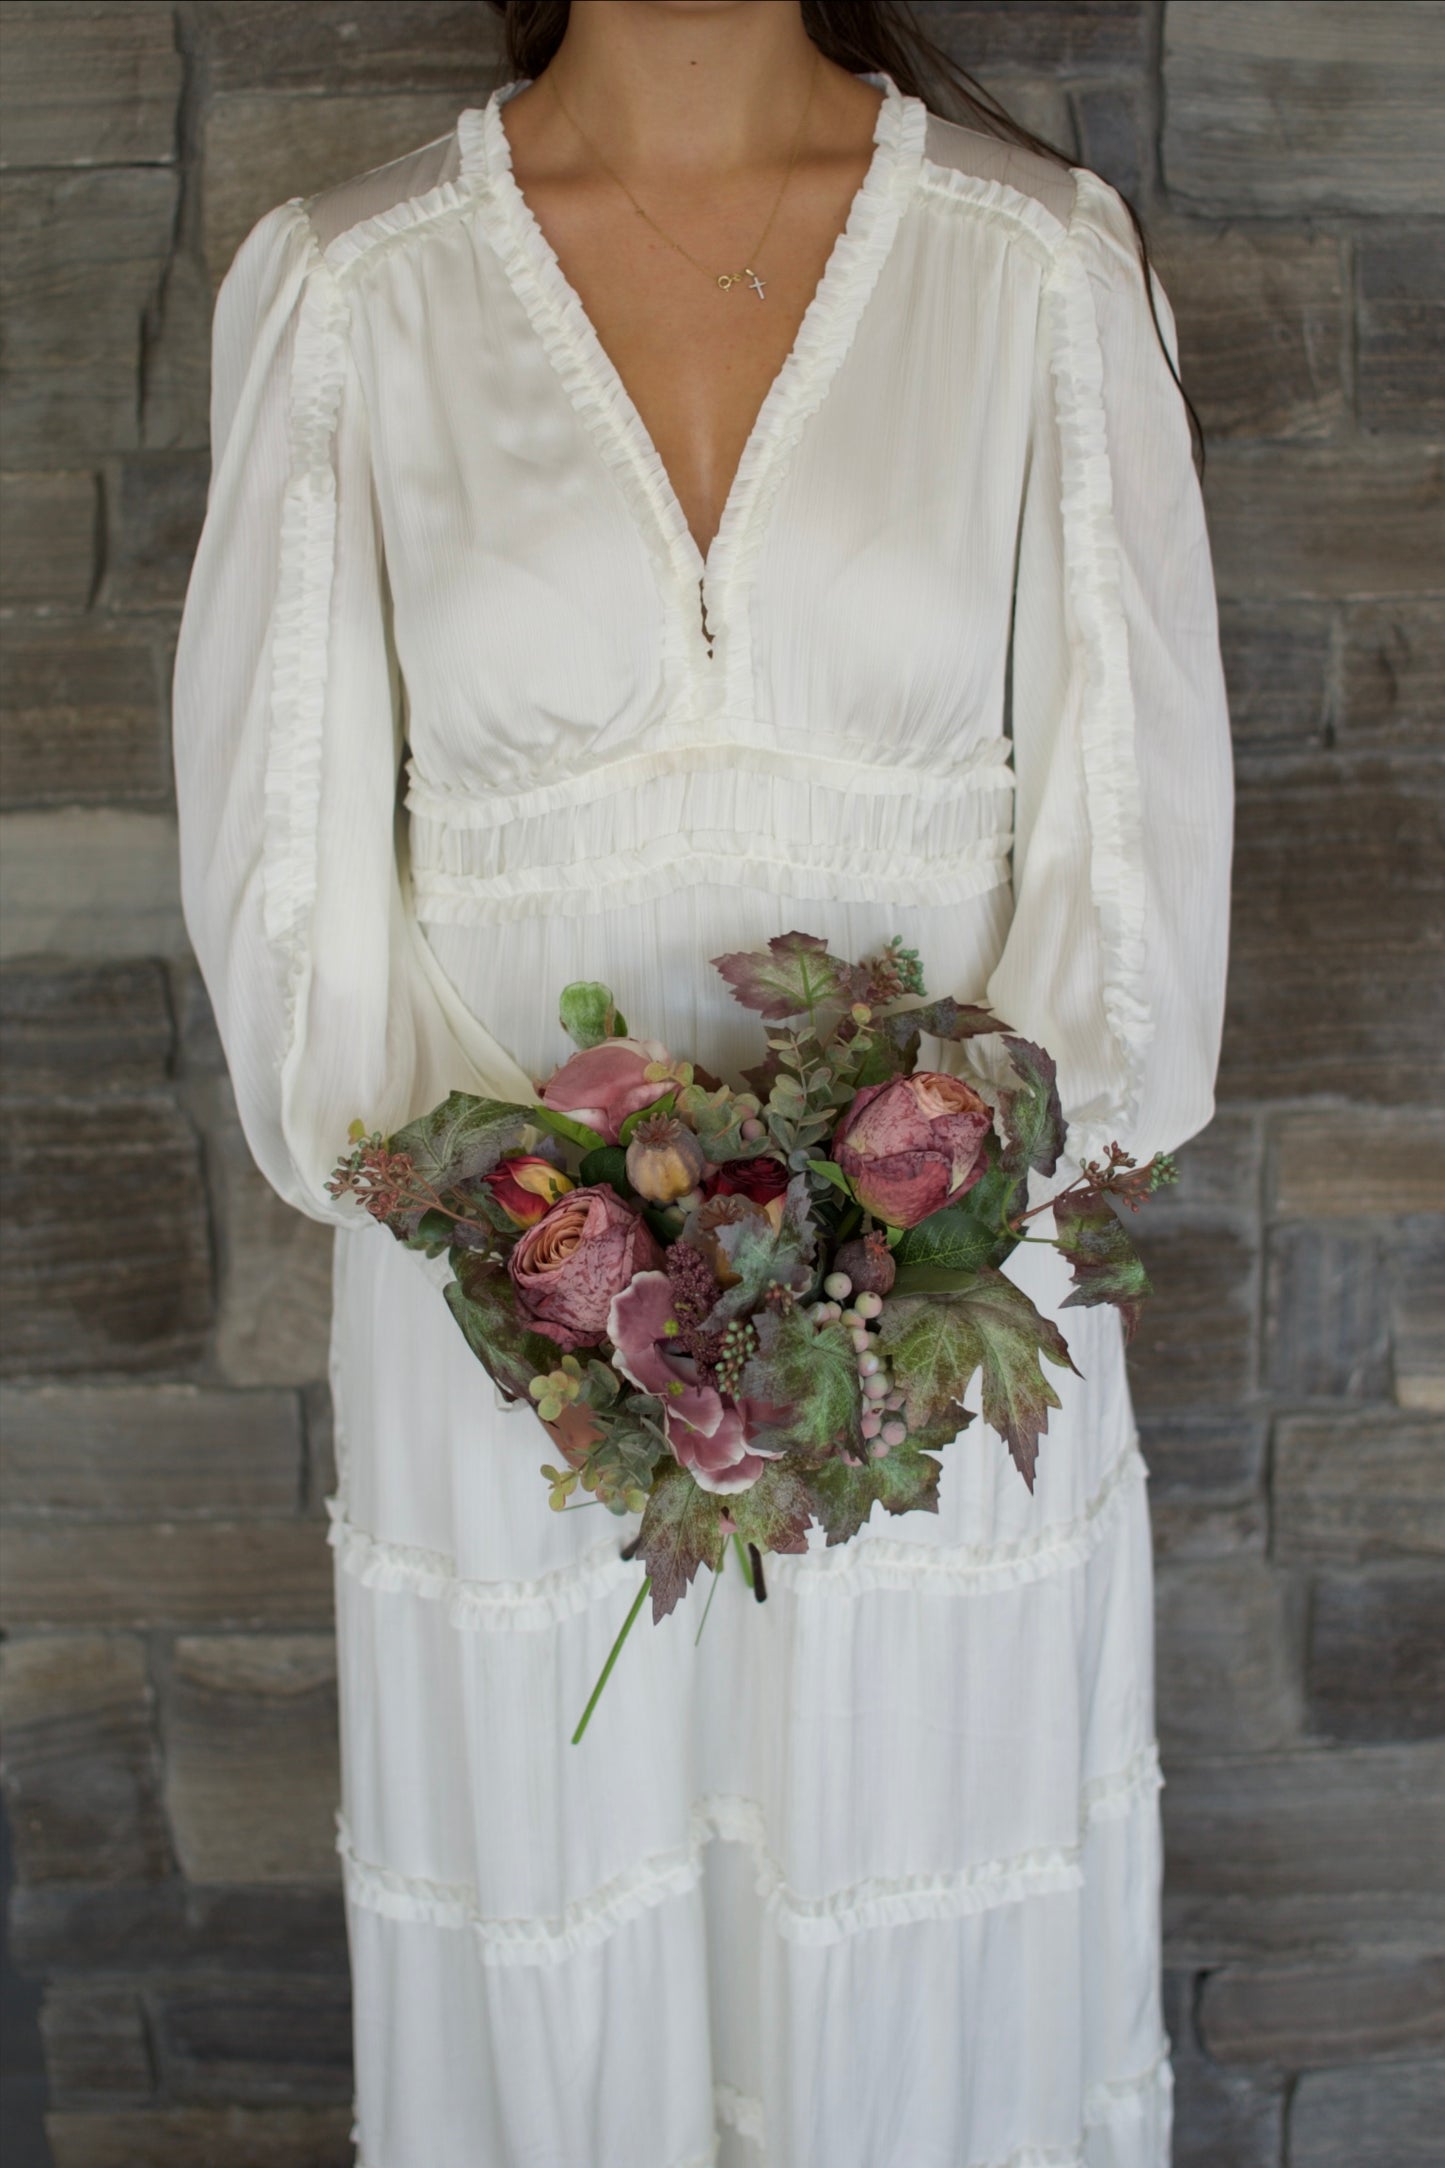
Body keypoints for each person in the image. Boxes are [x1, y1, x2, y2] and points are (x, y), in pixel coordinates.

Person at [172, 3, 1233, 2162]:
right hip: (523, 1376)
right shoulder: (350, 292)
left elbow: (1127, 879)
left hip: (924, 1367)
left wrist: (882, 1252)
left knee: (925, 1965)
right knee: (569, 1974)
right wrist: (565, 1266)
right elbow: (295, 907)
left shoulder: (1038, 273)